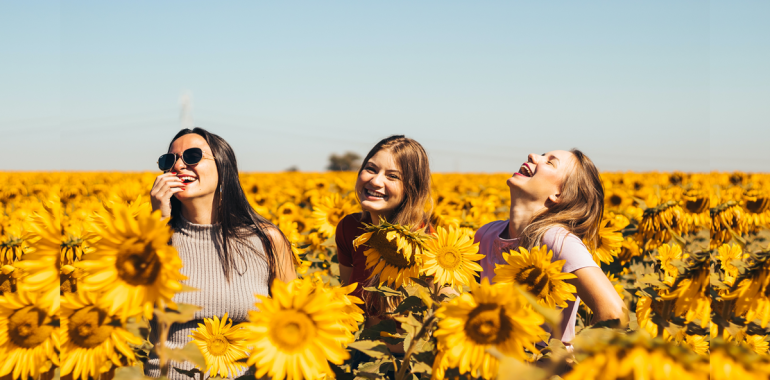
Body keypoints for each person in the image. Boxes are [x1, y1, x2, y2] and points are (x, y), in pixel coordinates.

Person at [145, 127, 296, 379]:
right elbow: (135, 314)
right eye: (169, 160)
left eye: (192, 156)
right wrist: (157, 223)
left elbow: (293, 317)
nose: (179, 166)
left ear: (224, 167)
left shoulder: (266, 239)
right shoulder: (151, 237)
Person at [475, 149, 627, 343]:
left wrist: (579, 361)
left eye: (550, 162)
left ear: (559, 194)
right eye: (541, 155)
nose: (532, 156)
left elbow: (614, 314)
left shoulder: (557, 240)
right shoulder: (486, 235)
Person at [335, 135, 433, 322]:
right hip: (357, 346)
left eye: (393, 176)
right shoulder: (350, 228)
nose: (376, 181)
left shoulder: (428, 241)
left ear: (412, 188)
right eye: (371, 169)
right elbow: (346, 300)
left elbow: (440, 313)